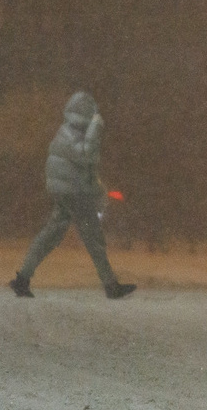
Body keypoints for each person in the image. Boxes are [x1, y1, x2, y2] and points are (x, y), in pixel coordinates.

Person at [9, 92, 136, 299]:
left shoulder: (66, 132)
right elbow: (88, 156)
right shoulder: (71, 134)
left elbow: (87, 169)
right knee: (93, 239)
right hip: (75, 193)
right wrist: (96, 128)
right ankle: (111, 286)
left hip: (66, 192)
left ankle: (22, 279)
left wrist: (98, 191)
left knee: (50, 236)